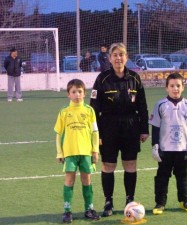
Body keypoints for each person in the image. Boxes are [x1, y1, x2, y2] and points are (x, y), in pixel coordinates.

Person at [90, 42, 149, 217]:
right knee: (108, 165)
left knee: (130, 163)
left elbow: (143, 106)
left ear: (126, 57)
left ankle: (130, 199)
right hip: (108, 127)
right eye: (115, 55)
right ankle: (108, 201)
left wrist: (144, 129)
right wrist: (96, 133)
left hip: (131, 126)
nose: (118, 58)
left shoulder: (135, 78)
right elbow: (93, 108)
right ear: (110, 58)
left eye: (121, 54)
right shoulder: (102, 79)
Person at [149, 72, 187, 215]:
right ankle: (160, 203)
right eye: (172, 86)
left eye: (178, 86)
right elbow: (155, 127)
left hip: (182, 148)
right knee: (162, 176)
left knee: (183, 175)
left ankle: (185, 201)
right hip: (165, 149)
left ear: (183, 87)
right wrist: (155, 146)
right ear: (167, 88)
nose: (175, 89)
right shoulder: (160, 105)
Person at [54, 79, 101, 223]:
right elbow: (58, 134)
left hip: (86, 152)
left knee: (87, 179)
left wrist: (95, 150)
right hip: (70, 152)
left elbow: (95, 132)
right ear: (68, 94)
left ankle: (89, 209)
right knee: (69, 179)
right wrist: (59, 152)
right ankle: (67, 211)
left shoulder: (89, 110)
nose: (77, 95)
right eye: (73, 92)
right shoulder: (64, 112)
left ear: (84, 93)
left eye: (80, 92)